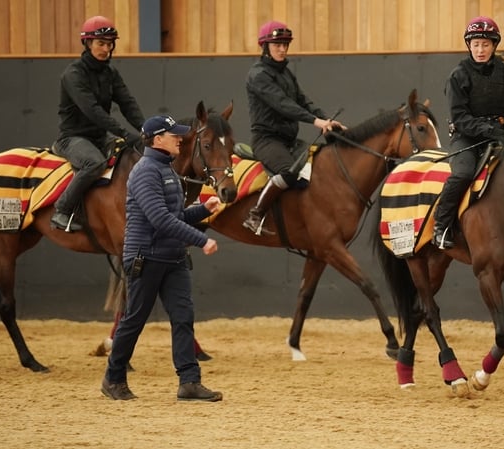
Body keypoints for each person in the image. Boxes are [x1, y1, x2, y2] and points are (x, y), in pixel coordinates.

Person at [102, 115, 223, 402]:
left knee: (183, 317)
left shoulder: (166, 170)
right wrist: (201, 239)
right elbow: (159, 219)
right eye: (174, 135)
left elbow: (176, 216)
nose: (180, 139)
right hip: (146, 257)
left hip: (172, 257)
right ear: (158, 140)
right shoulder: (145, 172)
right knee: (134, 320)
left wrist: (203, 209)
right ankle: (113, 378)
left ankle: (189, 382)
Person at [432, 16, 504, 249]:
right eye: (475, 44)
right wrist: (492, 132)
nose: (480, 49)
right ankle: (441, 225)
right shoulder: (458, 75)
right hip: (466, 137)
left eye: (485, 44)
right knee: (463, 174)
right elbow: (461, 118)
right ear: (469, 46)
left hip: (503, 132)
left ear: (494, 45)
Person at [243, 20, 345, 235]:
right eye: (277, 45)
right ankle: (255, 215)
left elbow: (302, 101)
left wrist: (326, 119)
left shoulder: (286, 74)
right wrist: (315, 122)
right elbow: (283, 104)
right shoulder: (258, 75)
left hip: (289, 141)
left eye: (285, 45)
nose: (282, 49)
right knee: (288, 171)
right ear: (265, 46)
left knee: (317, 168)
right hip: (267, 140)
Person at [51, 15, 144, 232]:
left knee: (135, 153)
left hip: (100, 137)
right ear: (87, 43)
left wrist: (147, 129)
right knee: (94, 164)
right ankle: (62, 210)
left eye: (110, 44)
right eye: (101, 43)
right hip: (73, 138)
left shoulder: (111, 73)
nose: (106, 49)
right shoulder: (73, 74)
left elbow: (128, 104)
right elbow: (92, 111)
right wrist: (123, 133)